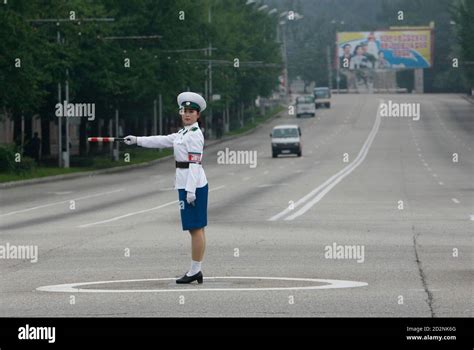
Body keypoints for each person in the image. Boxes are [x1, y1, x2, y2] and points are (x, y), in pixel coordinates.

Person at [124, 92, 209, 284]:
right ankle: (196, 269)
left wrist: (190, 191)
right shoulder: (183, 133)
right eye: (184, 111)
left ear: (198, 115)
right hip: (184, 181)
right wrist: (137, 140)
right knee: (196, 228)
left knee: (196, 228)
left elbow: (194, 164)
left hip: (192, 184)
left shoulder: (195, 135)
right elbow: (161, 140)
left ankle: (195, 270)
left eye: (191, 111)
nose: (187, 114)